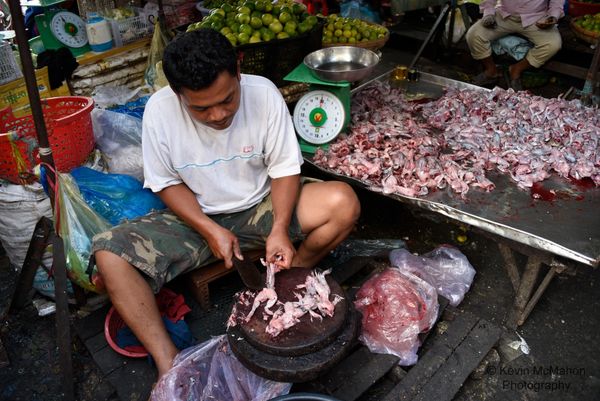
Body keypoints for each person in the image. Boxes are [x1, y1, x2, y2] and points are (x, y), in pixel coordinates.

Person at [92, 28, 361, 378]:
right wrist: (208, 229)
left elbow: (284, 169)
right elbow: (166, 184)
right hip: (196, 219)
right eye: (202, 108)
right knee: (109, 257)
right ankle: (168, 362)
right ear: (178, 93)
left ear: (238, 68)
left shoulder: (264, 94)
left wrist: (279, 228)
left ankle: (283, 285)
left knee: (343, 202)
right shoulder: (159, 112)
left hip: (262, 206)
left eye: (227, 100)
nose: (218, 115)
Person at [465, 0, 565, 90]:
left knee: (553, 44)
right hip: (505, 15)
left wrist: (552, 17)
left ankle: (516, 69)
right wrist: (488, 14)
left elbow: (557, 3)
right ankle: (491, 71)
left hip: (536, 19)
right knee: (473, 35)